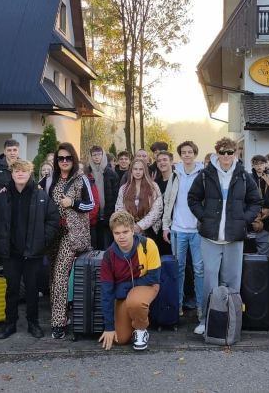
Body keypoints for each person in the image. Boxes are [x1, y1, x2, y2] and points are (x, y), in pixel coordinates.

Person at [188, 137, 262, 336]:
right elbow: (193, 198)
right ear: (217, 153)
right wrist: (204, 217)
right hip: (210, 238)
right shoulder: (206, 175)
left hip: (234, 238)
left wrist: (244, 219)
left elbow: (256, 201)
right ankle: (206, 320)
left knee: (233, 281)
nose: (226, 156)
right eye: (222, 152)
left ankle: (232, 319)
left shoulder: (244, 175)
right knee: (210, 281)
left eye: (230, 152)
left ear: (235, 153)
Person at [0, 159, 60, 340]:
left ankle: (33, 323)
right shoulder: (3, 195)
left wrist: (42, 239)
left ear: (30, 173)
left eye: (24, 171)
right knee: (11, 289)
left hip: (33, 252)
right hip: (10, 252)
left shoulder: (41, 195)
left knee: (32, 289)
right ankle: (10, 323)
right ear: (11, 174)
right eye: (17, 171)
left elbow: (53, 219)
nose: (20, 174)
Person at [47, 142, 94, 339]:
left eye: (68, 158)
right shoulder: (51, 179)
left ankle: (57, 323)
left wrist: (72, 203)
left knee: (60, 274)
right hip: (53, 233)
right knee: (52, 276)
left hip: (72, 233)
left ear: (73, 159)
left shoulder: (81, 178)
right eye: (61, 158)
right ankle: (61, 315)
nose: (64, 161)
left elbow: (91, 204)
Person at [99, 211, 161, 351]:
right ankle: (133, 316)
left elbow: (153, 277)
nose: (121, 237)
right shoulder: (108, 256)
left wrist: (126, 287)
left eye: (125, 232)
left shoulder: (148, 245)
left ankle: (141, 330)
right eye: (117, 233)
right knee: (120, 339)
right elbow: (106, 292)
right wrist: (109, 327)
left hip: (147, 285)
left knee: (136, 301)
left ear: (133, 231)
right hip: (123, 294)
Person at [161, 140, 204, 318]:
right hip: (178, 230)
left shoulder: (203, 174)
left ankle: (201, 307)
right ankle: (176, 306)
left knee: (199, 270)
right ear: (180, 155)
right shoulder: (175, 174)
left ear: (195, 154)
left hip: (198, 231)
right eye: (184, 152)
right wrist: (166, 226)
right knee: (177, 270)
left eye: (190, 152)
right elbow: (168, 202)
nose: (187, 155)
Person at [115, 159, 163, 237]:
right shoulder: (124, 188)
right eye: (135, 169)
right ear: (131, 170)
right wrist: (132, 226)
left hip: (150, 229)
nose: (138, 172)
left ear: (145, 171)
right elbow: (119, 209)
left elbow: (157, 210)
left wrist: (140, 226)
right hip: (129, 229)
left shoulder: (153, 187)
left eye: (141, 169)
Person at [88, 145, 119, 249]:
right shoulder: (86, 173)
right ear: (91, 156)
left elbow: (116, 197)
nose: (97, 157)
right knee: (94, 246)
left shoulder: (112, 174)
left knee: (107, 247)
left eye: (99, 154)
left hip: (108, 216)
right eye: (94, 155)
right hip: (92, 217)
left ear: (103, 155)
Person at [249, 155, 269, 256]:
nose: (259, 166)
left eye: (261, 164)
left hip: (267, 213)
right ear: (253, 166)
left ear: (265, 165)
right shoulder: (249, 178)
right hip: (253, 212)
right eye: (256, 164)